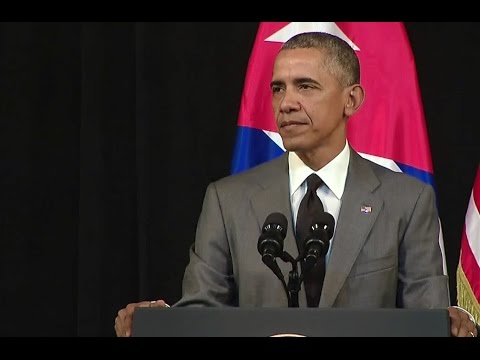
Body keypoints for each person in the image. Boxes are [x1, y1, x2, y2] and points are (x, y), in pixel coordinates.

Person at [114, 31, 478, 337]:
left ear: (351, 100)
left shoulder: (407, 200)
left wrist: (450, 323)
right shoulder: (227, 200)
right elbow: (201, 313)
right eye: (278, 89)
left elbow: (425, 319)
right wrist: (159, 320)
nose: (286, 103)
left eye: (305, 86)